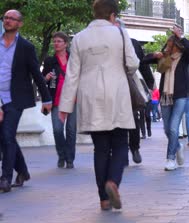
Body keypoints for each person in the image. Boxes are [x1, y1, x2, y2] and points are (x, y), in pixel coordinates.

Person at [58, 0, 140, 210]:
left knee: (101, 148)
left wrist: (65, 106)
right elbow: (132, 63)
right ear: (113, 15)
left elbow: (72, 73)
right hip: (117, 94)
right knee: (121, 142)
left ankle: (103, 199)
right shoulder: (120, 33)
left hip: (90, 96)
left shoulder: (80, 37)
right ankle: (113, 181)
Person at [0, 10, 52, 193]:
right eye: (5, 17)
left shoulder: (26, 47)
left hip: (15, 99)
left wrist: (46, 99)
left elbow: (37, 75)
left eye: (12, 19)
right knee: (5, 137)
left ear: (19, 24)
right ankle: (22, 170)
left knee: (7, 135)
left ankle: (5, 178)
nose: (8, 21)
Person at [141, 26, 189, 171]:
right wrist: (154, 55)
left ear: (178, 47)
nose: (170, 48)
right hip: (165, 96)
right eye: (169, 45)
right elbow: (143, 61)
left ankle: (170, 158)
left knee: (173, 127)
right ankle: (177, 146)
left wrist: (180, 35)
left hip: (181, 95)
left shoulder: (184, 58)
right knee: (166, 129)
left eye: (172, 46)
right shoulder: (164, 59)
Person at [114, 18, 154, 163]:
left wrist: (149, 83)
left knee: (133, 118)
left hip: (130, 85)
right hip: (112, 87)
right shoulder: (105, 44)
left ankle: (135, 147)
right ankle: (121, 152)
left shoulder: (133, 43)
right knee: (117, 121)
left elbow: (142, 64)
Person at [42, 32, 77, 169]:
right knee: (57, 129)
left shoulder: (73, 59)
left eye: (59, 41)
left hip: (74, 98)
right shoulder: (50, 60)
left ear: (65, 44)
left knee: (71, 130)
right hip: (56, 99)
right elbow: (42, 77)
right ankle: (62, 155)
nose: (56, 43)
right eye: (54, 41)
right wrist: (46, 78)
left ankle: (69, 159)